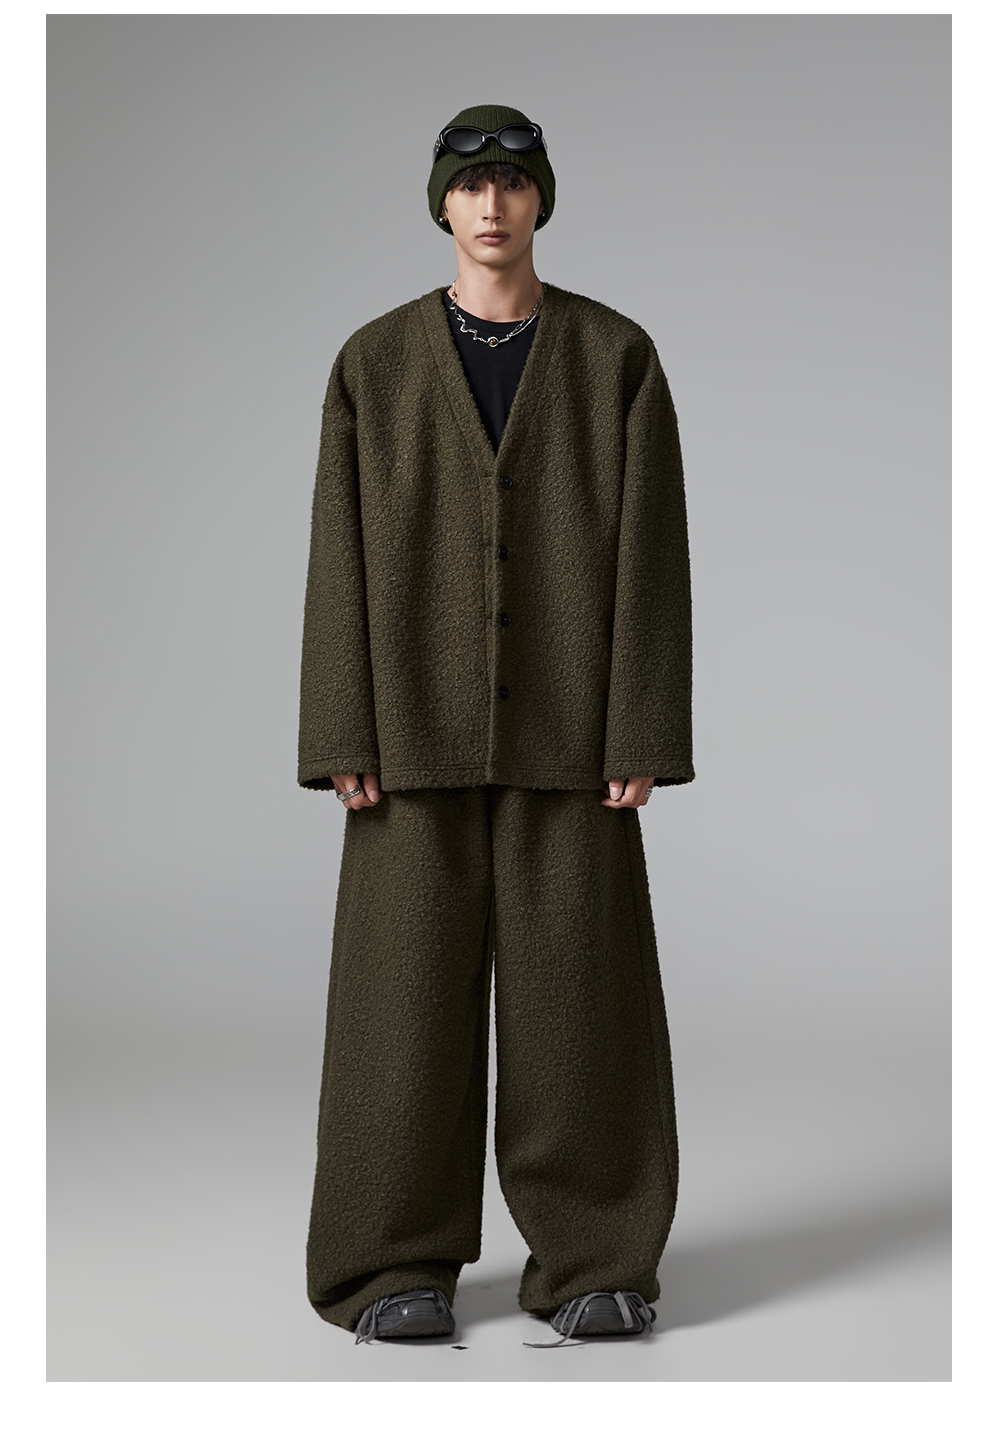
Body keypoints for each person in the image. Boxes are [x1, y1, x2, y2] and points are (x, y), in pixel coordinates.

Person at [297, 103, 695, 1348]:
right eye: (470, 183)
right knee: (398, 1010)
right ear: (441, 202)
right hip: (405, 738)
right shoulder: (373, 363)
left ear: (540, 201)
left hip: (574, 742)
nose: (490, 202)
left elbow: (653, 556)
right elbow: (336, 554)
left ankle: (596, 1258)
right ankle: (385, 1263)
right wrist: (340, 727)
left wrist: (640, 726)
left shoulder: (616, 355)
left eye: (513, 182)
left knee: (581, 1008)